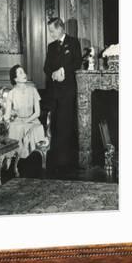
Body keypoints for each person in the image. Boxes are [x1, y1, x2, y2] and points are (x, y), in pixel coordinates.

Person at [43, 17, 82, 172]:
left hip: (67, 90)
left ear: (60, 28)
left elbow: (77, 62)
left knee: (66, 122)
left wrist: (63, 70)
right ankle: (55, 159)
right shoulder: (51, 46)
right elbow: (46, 67)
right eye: (50, 31)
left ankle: (66, 160)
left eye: (52, 30)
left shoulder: (73, 43)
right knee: (55, 123)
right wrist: (53, 73)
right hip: (54, 91)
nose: (51, 34)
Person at [4, 65, 47, 160]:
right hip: (18, 121)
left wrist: (27, 120)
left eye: (24, 72)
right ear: (15, 79)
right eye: (21, 73)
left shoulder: (33, 90)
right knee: (16, 128)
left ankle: (26, 154)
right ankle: (16, 158)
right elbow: (7, 115)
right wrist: (5, 119)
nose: (24, 74)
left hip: (32, 120)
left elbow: (37, 113)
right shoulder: (11, 93)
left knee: (30, 129)